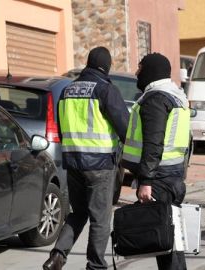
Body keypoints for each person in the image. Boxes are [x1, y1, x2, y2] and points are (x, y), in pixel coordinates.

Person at [43, 46, 129, 270]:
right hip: (100, 165)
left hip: (73, 164)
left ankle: (57, 256)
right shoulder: (106, 90)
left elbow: (62, 130)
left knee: (78, 213)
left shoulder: (67, 91)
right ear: (106, 67)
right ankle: (96, 265)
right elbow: (125, 128)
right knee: (100, 218)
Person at [122, 53, 190, 270]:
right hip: (173, 175)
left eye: (140, 68)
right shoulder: (176, 96)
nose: (136, 73)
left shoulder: (156, 99)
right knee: (172, 240)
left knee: (162, 242)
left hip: (159, 178)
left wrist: (146, 180)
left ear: (151, 71)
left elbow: (153, 143)